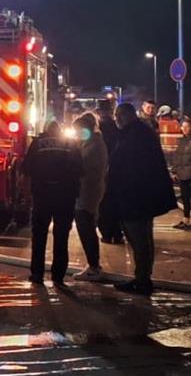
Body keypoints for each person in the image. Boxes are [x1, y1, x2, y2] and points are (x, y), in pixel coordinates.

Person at [106, 102, 178, 295]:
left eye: (120, 116)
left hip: (135, 197)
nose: (117, 119)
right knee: (142, 238)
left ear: (129, 116)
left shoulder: (134, 136)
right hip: (141, 197)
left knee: (139, 239)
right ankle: (142, 278)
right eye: (116, 116)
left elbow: (129, 167)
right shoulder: (140, 133)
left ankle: (142, 280)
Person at [21, 119, 82, 286]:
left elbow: (26, 170)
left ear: (46, 131)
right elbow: (79, 170)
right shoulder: (70, 144)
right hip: (65, 197)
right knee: (61, 237)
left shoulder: (38, 143)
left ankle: (37, 274)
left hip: (42, 195)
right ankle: (58, 276)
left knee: (39, 237)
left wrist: (27, 194)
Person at [72, 113, 109, 281]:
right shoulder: (91, 143)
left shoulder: (93, 146)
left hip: (88, 192)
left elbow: (83, 168)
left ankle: (94, 267)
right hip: (87, 191)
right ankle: (93, 265)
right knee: (86, 227)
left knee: (86, 228)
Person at [95, 99, 124, 245]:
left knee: (103, 204)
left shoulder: (97, 130)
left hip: (102, 171)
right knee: (115, 203)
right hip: (117, 171)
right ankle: (117, 233)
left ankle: (107, 234)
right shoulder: (118, 129)